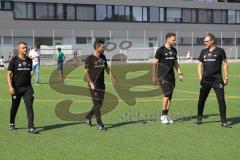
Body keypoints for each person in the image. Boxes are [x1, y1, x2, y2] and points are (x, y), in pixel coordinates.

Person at [196, 33, 230, 128]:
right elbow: (199, 65)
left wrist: (226, 77)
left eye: (206, 41)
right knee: (201, 100)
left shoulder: (220, 51)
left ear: (212, 41)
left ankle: (223, 121)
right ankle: (199, 118)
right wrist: (200, 77)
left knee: (221, 100)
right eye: (204, 41)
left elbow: (225, 64)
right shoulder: (203, 52)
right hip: (205, 81)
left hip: (217, 80)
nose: (205, 42)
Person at [84, 40, 117, 131]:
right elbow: (86, 72)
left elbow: (107, 68)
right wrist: (90, 83)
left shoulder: (103, 57)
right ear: (97, 47)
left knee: (99, 104)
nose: (104, 48)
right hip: (93, 85)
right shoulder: (89, 59)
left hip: (101, 85)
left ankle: (88, 117)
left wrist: (112, 77)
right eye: (102, 47)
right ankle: (100, 125)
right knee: (97, 104)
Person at [152, 32, 184, 124]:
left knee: (170, 97)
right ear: (168, 39)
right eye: (173, 40)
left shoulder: (174, 50)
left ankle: (166, 115)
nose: (175, 41)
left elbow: (175, 63)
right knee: (166, 95)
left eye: (175, 40)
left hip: (171, 76)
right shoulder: (160, 50)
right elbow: (154, 63)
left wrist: (180, 73)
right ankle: (163, 116)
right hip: (162, 76)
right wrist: (154, 77)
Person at [7, 42, 38, 133]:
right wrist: (10, 86)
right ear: (19, 49)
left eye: (26, 48)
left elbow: (29, 74)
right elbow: (8, 74)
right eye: (23, 48)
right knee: (14, 107)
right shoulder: (14, 60)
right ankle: (12, 122)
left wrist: (29, 84)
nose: (25, 49)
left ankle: (31, 127)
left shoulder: (29, 60)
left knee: (29, 106)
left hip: (27, 88)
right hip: (16, 88)